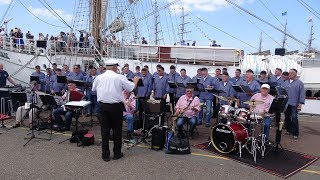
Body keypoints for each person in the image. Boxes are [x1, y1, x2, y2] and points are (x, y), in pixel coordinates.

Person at [92, 59, 139, 162]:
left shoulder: (99, 77)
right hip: (116, 107)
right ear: (114, 67)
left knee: (105, 131)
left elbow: (93, 90)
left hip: (103, 106)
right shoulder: (119, 77)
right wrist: (135, 81)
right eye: (116, 67)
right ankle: (117, 154)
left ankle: (105, 155)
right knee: (117, 130)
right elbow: (131, 88)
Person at [282, 69, 305, 139]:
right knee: (287, 117)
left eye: (292, 73)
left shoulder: (299, 83)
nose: (290, 74)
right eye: (289, 73)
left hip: (295, 103)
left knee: (294, 118)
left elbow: (302, 94)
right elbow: (282, 92)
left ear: (295, 74)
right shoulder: (285, 82)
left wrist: (300, 104)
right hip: (286, 103)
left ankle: (295, 133)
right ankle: (288, 130)